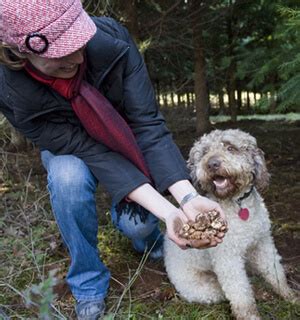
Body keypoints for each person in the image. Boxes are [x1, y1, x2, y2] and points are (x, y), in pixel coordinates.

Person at [0, 1, 226, 319]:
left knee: (138, 224)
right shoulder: (12, 92)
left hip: (125, 137)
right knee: (68, 178)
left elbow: (146, 124)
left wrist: (184, 201)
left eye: (80, 44)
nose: (79, 58)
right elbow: (90, 149)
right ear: (23, 52)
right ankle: (88, 283)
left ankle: (148, 239)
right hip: (71, 145)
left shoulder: (111, 40)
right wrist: (167, 208)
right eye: (62, 54)